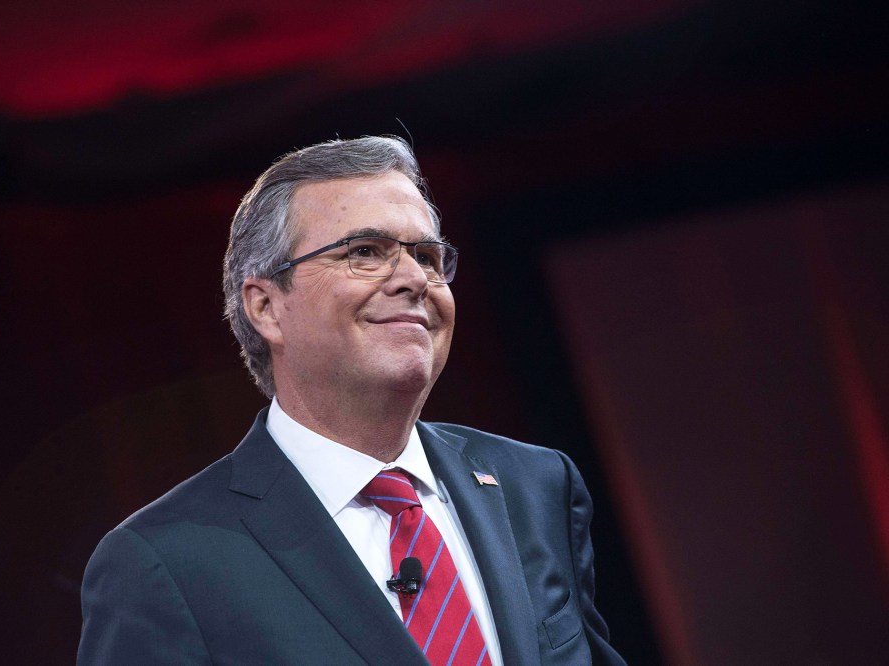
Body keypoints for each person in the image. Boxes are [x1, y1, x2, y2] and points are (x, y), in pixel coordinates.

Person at [78, 136, 626, 665]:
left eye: (428, 256)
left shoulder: (535, 485)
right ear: (266, 307)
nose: (414, 279)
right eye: (365, 252)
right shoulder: (165, 561)